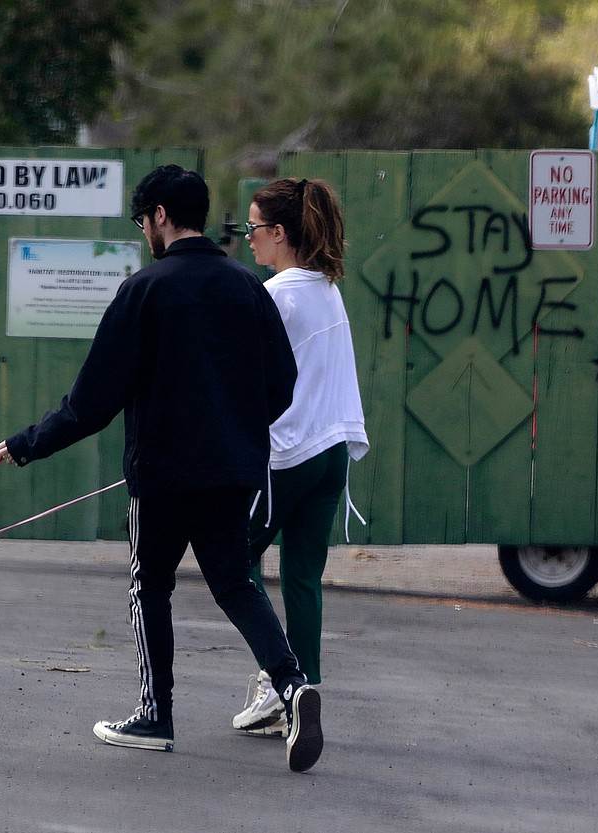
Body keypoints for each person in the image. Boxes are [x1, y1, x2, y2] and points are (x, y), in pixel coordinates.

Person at [0, 165, 324, 773]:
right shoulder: (249, 288)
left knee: (151, 585)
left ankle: (156, 715)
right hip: (233, 472)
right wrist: (238, 431)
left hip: (162, 476)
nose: (144, 229)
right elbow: (283, 384)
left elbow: (90, 402)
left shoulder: (144, 290)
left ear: (161, 217)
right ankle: (294, 686)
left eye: (141, 219)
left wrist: (25, 444)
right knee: (234, 584)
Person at [229, 177, 369, 739]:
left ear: (279, 232)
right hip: (333, 451)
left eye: (254, 228)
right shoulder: (325, 288)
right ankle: (302, 688)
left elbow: (241, 379)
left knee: (233, 564)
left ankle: (280, 685)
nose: (249, 238)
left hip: (286, 455)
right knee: (303, 578)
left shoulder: (277, 295)